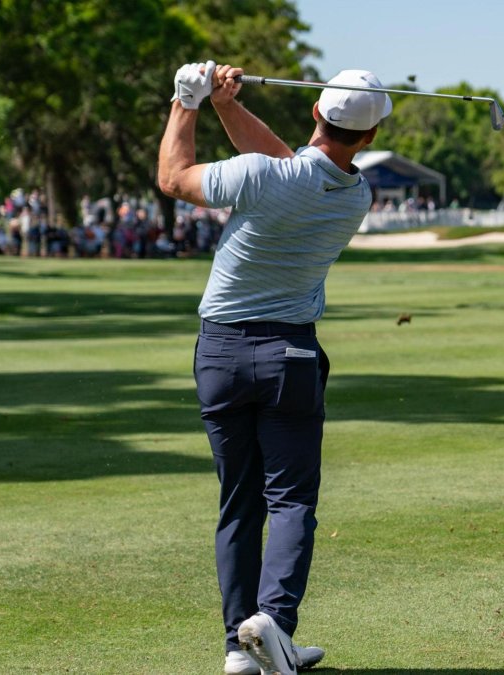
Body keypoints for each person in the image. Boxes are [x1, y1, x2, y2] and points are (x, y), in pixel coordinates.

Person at [157, 60, 391, 675]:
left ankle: (242, 648)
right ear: (367, 138)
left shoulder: (262, 177)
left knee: (240, 503)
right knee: (289, 501)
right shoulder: (356, 195)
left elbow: (174, 178)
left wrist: (189, 101)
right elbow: (294, 164)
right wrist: (228, 106)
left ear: (315, 110)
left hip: (222, 352)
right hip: (290, 355)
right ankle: (274, 626)